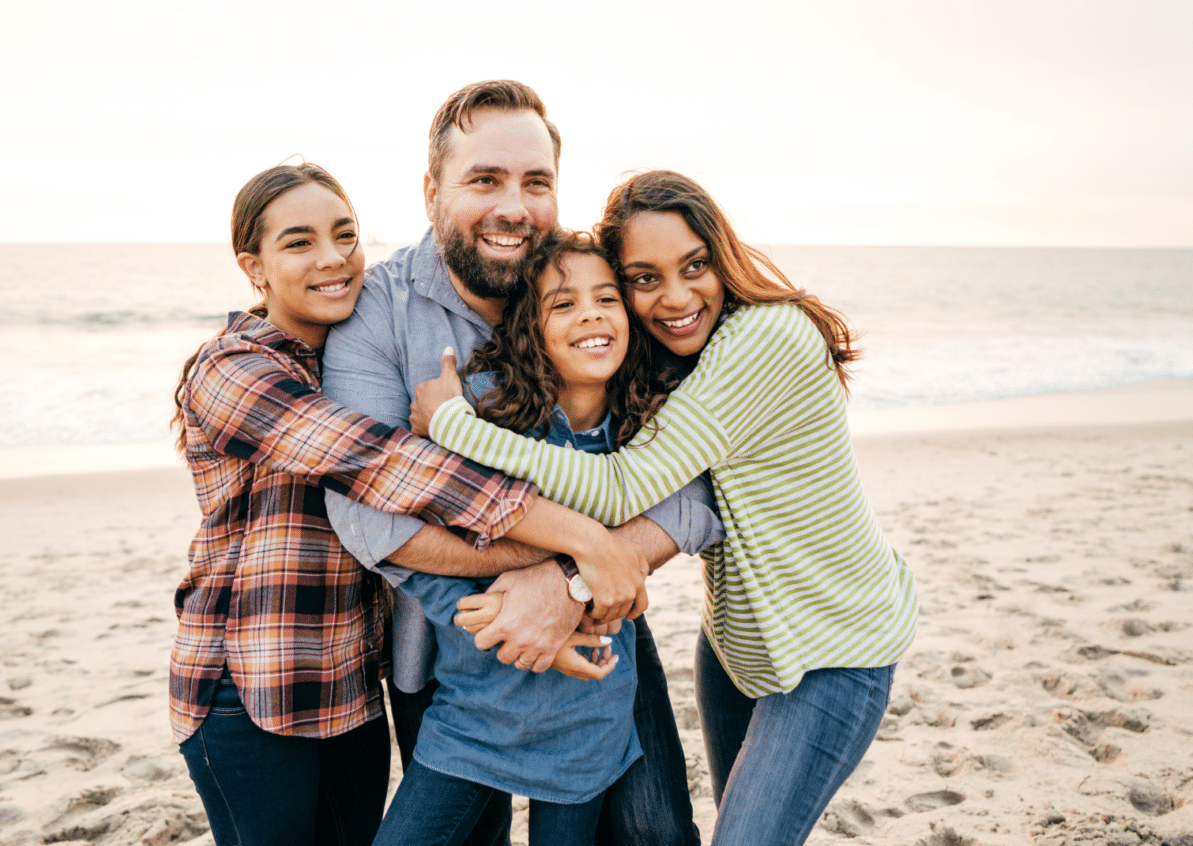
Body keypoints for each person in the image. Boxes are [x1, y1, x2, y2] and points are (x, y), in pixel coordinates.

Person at [414, 170, 920, 846]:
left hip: (836, 647)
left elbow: (623, 488)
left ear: (723, 256)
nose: (676, 296)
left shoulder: (764, 339)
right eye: (645, 279)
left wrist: (453, 423)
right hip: (738, 648)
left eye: (695, 266)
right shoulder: (682, 355)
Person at [169, 162, 650, 846]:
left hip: (352, 683)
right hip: (250, 687)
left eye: (345, 234)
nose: (334, 258)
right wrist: (586, 540)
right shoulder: (233, 370)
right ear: (255, 266)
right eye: (299, 243)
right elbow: (385, 465)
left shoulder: (341, 351)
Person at [322, 82, 718, 846]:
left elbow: (693, 484)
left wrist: (571, 582)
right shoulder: (381, 309)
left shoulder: (590, 282)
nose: (515, 205)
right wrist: (579, 543)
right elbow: (367, 510)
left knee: (657, 833)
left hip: (599, 631)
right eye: (485, 179)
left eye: (536, 182)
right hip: (448, 648)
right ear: (432, 190)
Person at [374, 231, 692, 846]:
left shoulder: (646, 443)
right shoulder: (491, 420)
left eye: (607, 298)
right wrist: (488, 622)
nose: (592, 314)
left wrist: (581, 607)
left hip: (586, 712)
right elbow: (422, 561)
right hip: (474, 715)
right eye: (563, 304)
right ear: (531, 329)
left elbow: (630, 576)